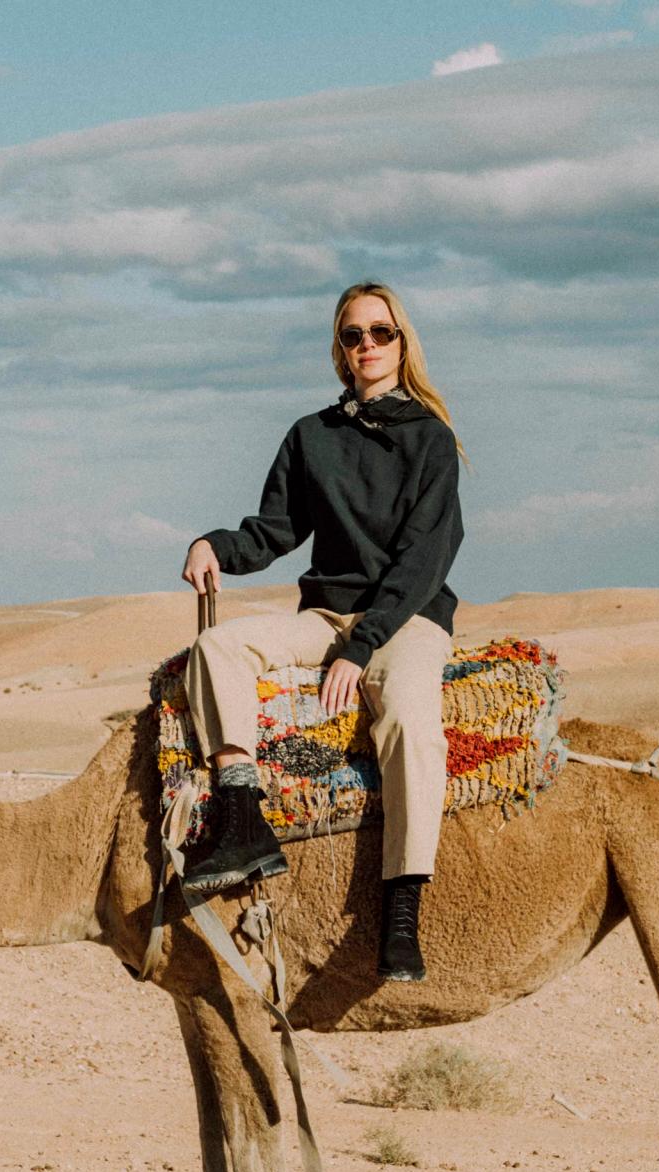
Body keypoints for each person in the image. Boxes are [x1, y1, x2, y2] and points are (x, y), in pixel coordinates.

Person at [180, 280, 465, 981]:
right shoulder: (311, 435)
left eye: (381, 332)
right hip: (326, 614)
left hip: (407, 616)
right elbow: (274, 530)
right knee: (218, 646)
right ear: (339, 349)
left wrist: (362, 649)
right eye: (352, 334)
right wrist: (213, 544)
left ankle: (402, 908)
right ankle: (242, 817)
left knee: (409, 717)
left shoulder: (430, 438)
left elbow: (425, 557)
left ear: (402, 342)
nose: (367, 345)